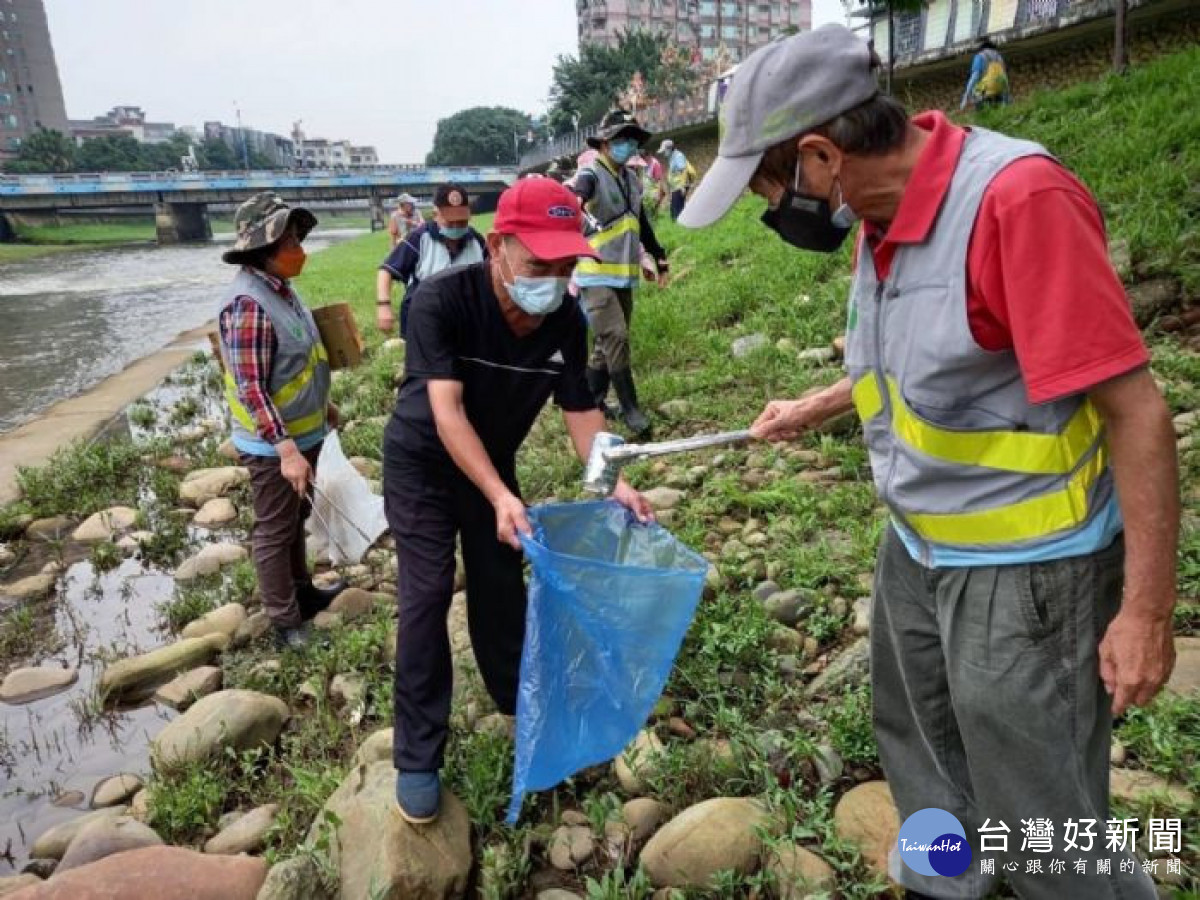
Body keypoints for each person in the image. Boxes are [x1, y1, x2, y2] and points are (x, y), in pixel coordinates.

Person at [680, 25, 1177, 900]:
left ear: (823, 155)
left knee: (1042, 816)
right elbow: (921, 363)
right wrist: (817, 405)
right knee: (918, 740)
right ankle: (954, 883)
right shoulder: (877, 218)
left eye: (768, 185)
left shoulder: (1016, 203)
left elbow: (1136, 413)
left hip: (1028, 569)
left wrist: (1145, 613)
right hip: (917, 543)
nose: (769, 210)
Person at [383, 177, 654, 824]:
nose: (554, 280)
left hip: (492, 459)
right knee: (425, 595)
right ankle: (418, 755)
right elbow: (447, 414)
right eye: (540, 264)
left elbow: (581, 410)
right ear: (498, 246)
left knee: (501, 580)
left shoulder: (565, 318)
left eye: (566, 266)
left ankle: (513, 696)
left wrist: (610, 479)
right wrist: (502, 495)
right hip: (423, 462)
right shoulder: (441, 302)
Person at [216, 192, 346, 650]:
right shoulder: (249, 304)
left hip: (302, 429)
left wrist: (324, 405)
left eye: (297, 238)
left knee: (296, 518)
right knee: (275, 528)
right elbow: (252, 387)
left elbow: (297, 361)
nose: (300, 249)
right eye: (289, 241)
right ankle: (284, 621)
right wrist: (286, 450)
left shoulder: (281, 290)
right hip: (275, 445)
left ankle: (303, 592)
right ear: (261, 248)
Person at [571, 109, 670, 438]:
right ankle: (631, 408)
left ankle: (593, 402)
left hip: (623, 274)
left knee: (604, 345)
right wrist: (576, 203)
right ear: (603, 144)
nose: (627, 146)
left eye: (632, 140)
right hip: (594, 274)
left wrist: (659, 257)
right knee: (616, 337)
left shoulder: (630, 179)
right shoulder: (591, 175)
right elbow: (576, 197)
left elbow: (641, 223)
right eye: (620, 140)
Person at [376, 183, 487, 337]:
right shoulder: (420, 238)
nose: (456, 227)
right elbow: (386, 270)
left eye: (462, 221)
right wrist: (384, 306)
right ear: (435, 215)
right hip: (423, 317)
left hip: (463, 319)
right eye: (450, 221)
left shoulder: (476, 240)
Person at [961, 38, 1011, 110]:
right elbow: (1004, 76)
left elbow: (975, 76)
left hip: (983, 94)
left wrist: (966, 96)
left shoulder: (980, 56)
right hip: (998, 93)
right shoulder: (999, 57)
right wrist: (1007, 95)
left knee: (983, 118)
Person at [657, 138, 696, 220]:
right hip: (676, 187)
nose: (663, 153)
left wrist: (682, 187)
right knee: (674, 210)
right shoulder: (672, 156)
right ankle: (680, 224)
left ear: (669, 149)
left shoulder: (678, 156)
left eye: (664, 151)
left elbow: (684, 170)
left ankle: (683, 225)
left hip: (680, 187)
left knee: (677, 211)